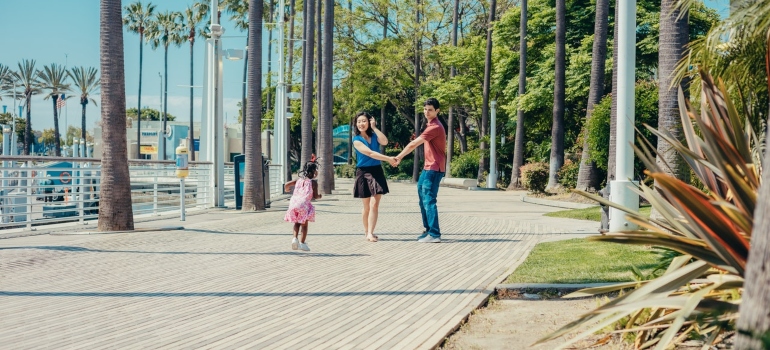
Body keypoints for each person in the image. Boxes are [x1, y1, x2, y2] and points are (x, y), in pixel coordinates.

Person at [394, 98, 447, 243]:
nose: (427, 112)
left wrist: (398, 157)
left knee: (429, 199)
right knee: (422, 196)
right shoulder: (430, 125)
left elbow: (413, 144)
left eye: (430, 110)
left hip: (434, 168)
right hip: (428, 167)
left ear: (437, 111)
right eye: (425, 109)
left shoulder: (435, 127)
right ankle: (429, 230)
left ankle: (435, 234)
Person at [351, 111, 398, 242]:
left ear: (369, 122)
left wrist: (375, 128)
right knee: (366, 206)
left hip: (376, 171)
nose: (361, 124)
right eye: (359, 121)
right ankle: (367, 232)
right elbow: (370, 153)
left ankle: (371, 232)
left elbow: (385, 141)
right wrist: (388, 158)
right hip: (363, 172)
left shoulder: (374, 135)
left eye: (364, 121)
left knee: (374, 204)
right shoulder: (356, 140)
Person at [284, 158, 322, 251]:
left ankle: (294, 239)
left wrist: (286, 189)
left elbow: (287, 184)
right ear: (313, 171)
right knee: (304, 225)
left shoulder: (298, 180)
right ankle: (302, 243)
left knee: (296, 222)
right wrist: (320, 196)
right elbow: (316, 196)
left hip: (294, 203)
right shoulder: (313, 182)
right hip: (303, 204)